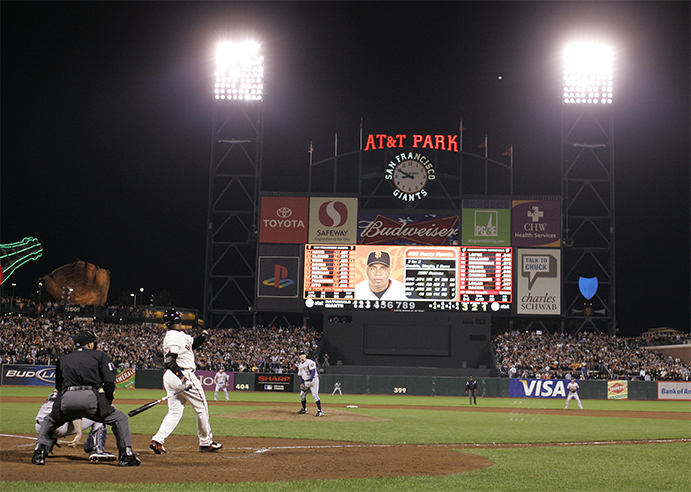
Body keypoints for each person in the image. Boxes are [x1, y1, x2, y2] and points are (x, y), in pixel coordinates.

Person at [31, 329, 139, 467]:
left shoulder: (63, 359)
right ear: (89, 344)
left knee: (49, 420)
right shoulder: (100, 356)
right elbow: (109, 381)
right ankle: (126, 456)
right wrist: (106, 403)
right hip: (90, 398)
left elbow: (59, 388)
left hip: (67, 398)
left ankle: (39, 454)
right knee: (120, 418)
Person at [150, 309, 222, 454]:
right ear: (178, 321)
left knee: (175, 412)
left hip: (173, 376)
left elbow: (193, 344)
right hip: (182, 373)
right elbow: (169, 361)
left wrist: (203, 336)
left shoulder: (180, 335)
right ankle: (206, 442)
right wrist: (182, 377)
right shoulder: (172, 337)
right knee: (201, 407)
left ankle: (158, 440)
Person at [35, 389, 115, 462]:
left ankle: (44, 447)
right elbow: (76, 413)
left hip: (41, 428)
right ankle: (97, 450)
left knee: (57, 417)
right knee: (102, 416)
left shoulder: (57, 390)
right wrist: (78, 433)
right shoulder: (77, 391)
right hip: (58, 429)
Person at [296, 351, 324, 416]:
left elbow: (313, 371)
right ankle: (304, 409)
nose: (302, 356)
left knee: (315, 395)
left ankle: (320, 411)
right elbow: (300, 375)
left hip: (313, 379)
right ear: (299, 357)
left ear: (305, 355)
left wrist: (311, 380)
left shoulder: (310, 362)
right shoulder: (300, 365)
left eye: (303, 354)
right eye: (300, 355)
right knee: (302, 395)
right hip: (306, 381)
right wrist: (301, 383)